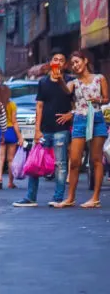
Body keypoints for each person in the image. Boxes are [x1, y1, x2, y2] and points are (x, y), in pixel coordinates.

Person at [14, 50, 73, 207]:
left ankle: (58, 197)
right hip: (45, 129)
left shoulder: (69, 81)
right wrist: (37, 130)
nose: (58, 62)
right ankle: (30, 197)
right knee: (35, 163)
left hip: (62, 129)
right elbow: (39, 106)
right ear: (50, 63)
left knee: (60, 164)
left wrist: (70, 114)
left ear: (65, 64)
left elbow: (77, 104)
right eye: (55, 59)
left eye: (61, 60)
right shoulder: (43, 82)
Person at [54, 51, 109, 209]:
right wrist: (59, 81)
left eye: (77, 62)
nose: (75, 65)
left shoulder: (99, 78)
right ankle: (70, 197)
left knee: (96, 159)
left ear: (85, 61)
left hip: (96, 117)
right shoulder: (74, 82)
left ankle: (95, 198)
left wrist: (98, 100)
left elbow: (107, 98)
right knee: (75, 161)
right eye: (72, 64)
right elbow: (66, 91)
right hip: (79, 119)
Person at [0, 84, 23, 190]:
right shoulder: (12, 105)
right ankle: (10, 182)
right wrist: (20, 137)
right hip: (11, 131)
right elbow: (14, 122)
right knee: (11, 159)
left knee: (0, 158)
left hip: (0, 132)